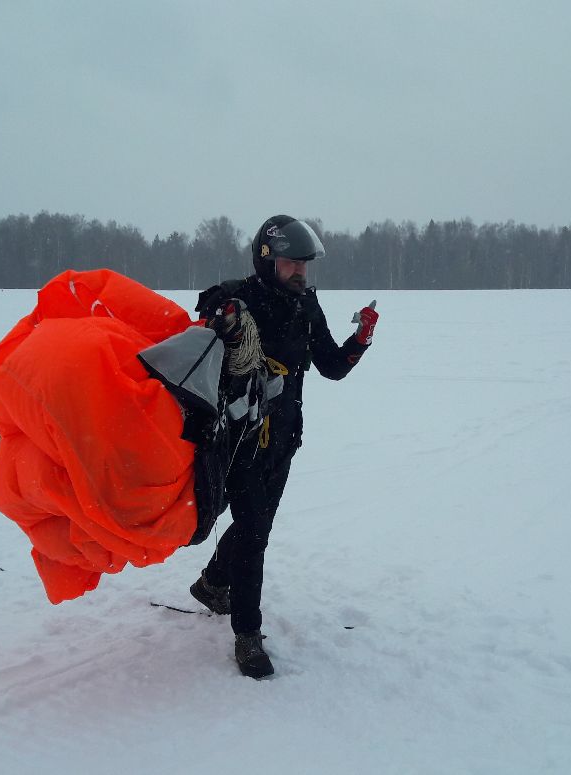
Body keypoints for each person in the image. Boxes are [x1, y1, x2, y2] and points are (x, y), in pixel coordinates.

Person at [188, 214, 379, 679]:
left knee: (257, 526)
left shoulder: (305, 304)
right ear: (268, 260)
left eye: (305, 265)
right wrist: (220, 313)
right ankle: (247, 637)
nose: (301, 273)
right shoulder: (240, 298)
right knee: (254, 534)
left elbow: (331, 366)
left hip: (285, 439)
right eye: (293, 264)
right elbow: (207, 314)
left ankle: (213, 582)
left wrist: (362, 338)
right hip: (242, 439)